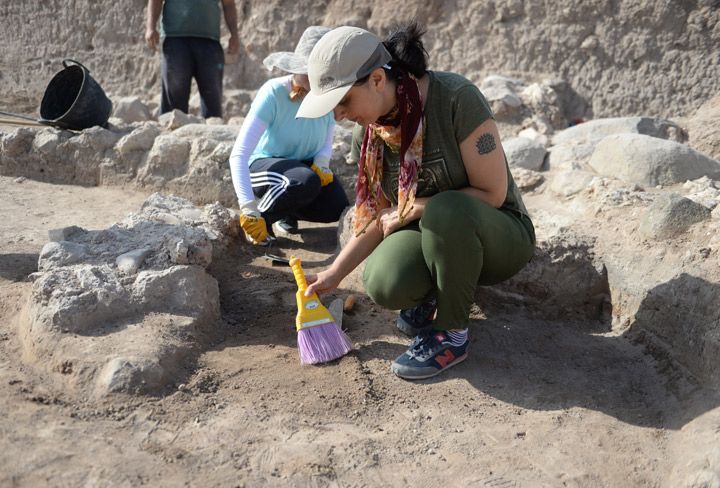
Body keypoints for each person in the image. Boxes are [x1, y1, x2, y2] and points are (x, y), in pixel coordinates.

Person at [298, 23, 536, 380]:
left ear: (377, 79)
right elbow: (380, 216)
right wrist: (334, 274)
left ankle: (452, 334)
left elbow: (493, 194)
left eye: (343, 100)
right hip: (435, 236)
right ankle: (435, 297)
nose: (338, 116)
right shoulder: (371, 132)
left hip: (499, 236)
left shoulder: (456, 99)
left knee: (443, 210)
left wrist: (416, 206)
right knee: (384, 282)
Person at [229, 26, 349, 245]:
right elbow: (239, 154)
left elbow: (326, 139)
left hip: (301, 170)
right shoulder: (274, 92)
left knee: (336, 205)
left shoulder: (327, 97)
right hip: (264, 165)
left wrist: (322, 162)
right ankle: (261, 221)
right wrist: (248, 207)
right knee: (303, 181)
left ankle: (286, 212)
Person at [145, 0, 239, 118]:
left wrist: (234, 34)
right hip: (175, 40)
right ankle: (171, 134)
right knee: (174, 105)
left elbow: (228, 4)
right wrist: (150, 27)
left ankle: (210, 133)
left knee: (212, 100)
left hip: (210, 43)